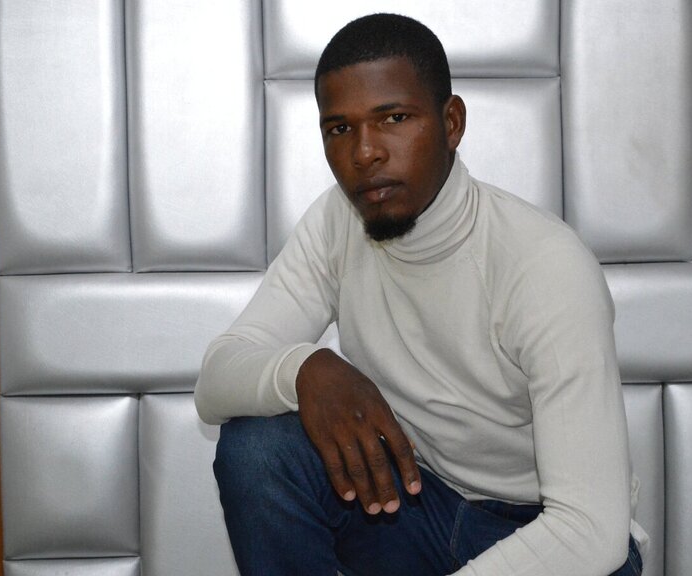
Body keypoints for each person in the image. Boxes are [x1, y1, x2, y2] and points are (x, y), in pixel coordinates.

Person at [195, 13, 645, 576]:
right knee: (258, 448)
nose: (365, 153)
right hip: (415, 510)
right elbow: (216, 379)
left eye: (394, 118)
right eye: (340, 129)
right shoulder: (337, 222)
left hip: (549, 536)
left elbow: (590, 531)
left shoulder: (543, 264)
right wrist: (305, 370)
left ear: (451, 123)